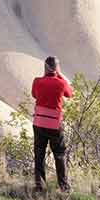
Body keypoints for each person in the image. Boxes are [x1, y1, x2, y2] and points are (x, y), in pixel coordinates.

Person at [31, 56, 72, 191]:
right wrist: (59, 75)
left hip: (39, 122)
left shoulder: (37, 81)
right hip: (54, 123)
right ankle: (63, 186)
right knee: (59, 154)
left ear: (45, 67)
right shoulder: (60, 83)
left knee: (39, 152)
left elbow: (35, 95)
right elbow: (69, 94)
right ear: (57, 68)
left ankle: (39, 185)